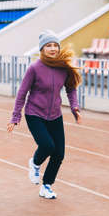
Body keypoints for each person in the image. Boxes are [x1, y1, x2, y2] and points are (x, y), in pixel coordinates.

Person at [7, 30, 82, 199]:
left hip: (55, 115)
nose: (53, 48)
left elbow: (71, 89)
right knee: (47, 146)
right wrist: (15, 117)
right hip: (35, 114)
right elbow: (22, 93)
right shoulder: (34, 68)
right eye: (49, 46)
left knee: (59, 154)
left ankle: (46, 186)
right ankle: (34, 163)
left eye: (55, 45)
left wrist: (74, 107)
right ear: (42, 49)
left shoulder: (63, 68)